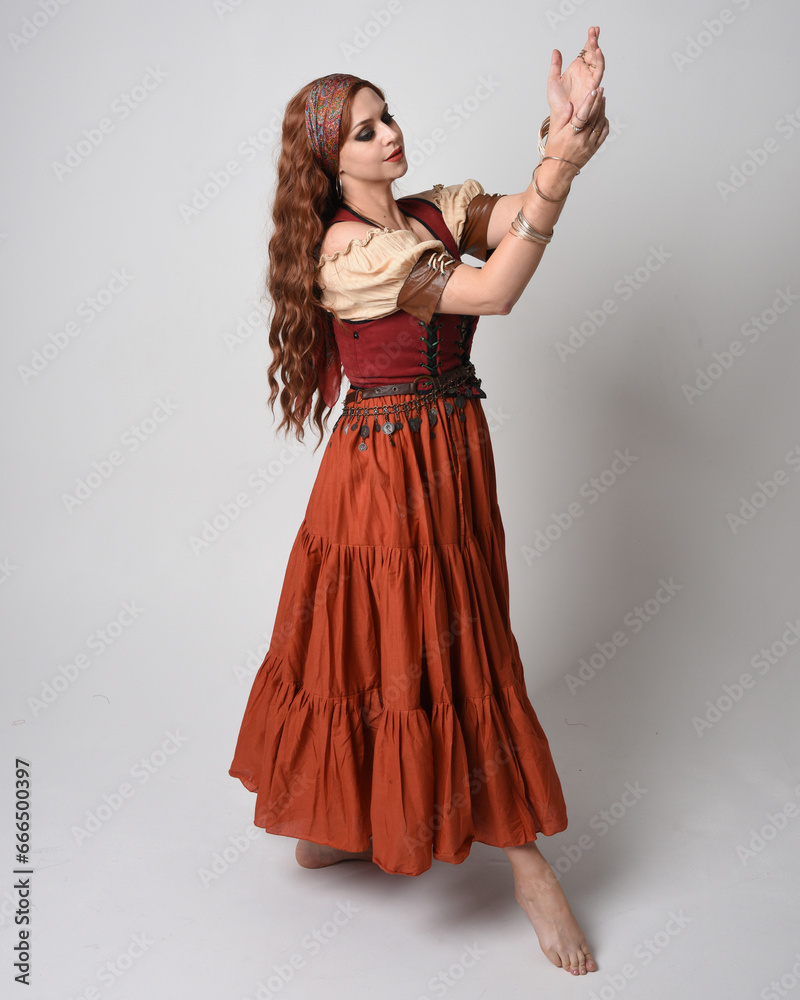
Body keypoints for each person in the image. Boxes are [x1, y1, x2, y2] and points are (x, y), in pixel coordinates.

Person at [229, 26, 608, 978]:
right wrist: (557, 168)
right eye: (362, 132)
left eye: (386, 115)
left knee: (417, 633)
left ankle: (335, 825)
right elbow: (495, 292)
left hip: (447, 451)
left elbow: (514, 214)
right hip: (387, 468)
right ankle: (529, 870)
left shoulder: (431, 214)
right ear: (329, 158)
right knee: (442, 636)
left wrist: (561, 141)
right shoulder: (350, 253)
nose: (388, 134)